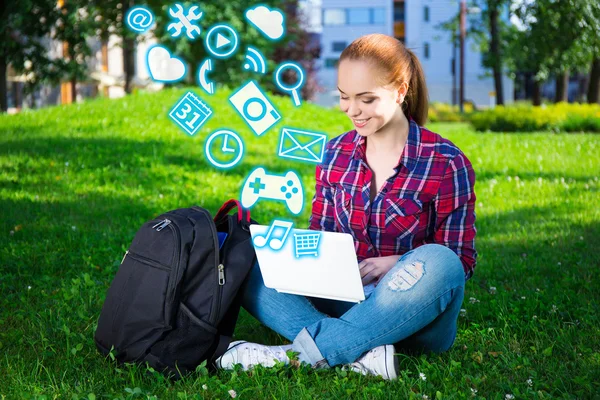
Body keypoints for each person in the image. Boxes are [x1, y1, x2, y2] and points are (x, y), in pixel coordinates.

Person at [215, 33, 477, 379]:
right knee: (246, 260)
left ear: (400, 90)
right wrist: (294, 255)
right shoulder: (335, 154)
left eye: (366, 99)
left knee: (441, 263)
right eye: (344, 97)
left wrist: (398, 263)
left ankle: (298, 355)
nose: (352, 110)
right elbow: (320, 235)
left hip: (410, 311)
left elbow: (460, 260)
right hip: (340, 300)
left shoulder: (446, 162)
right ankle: (363, 355)